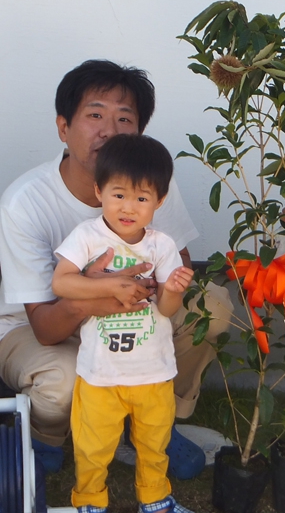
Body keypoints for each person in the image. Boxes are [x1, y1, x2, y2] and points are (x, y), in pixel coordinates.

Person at [0, 60, 233, 477]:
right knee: (62, 379)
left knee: (210, 309)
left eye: (124, 118)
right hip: (43, 325)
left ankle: (154, 420)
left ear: (139, 132)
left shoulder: (151, 182)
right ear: (63, 127)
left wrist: (143, 290)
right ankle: (46, 436)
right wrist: (92, 294)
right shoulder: (25, 202)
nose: (109, 130)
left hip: (135, 305)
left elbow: (176, 262)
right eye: (94, 115)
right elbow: (44, 328)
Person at [52, 134, 194, 513]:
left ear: (159, 201)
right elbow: (61, 281)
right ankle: (89, 500)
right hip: (101, 372)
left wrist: (175, 290)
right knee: (92, 444)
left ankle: (155, 498)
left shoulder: (161, 246)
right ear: (99, 191)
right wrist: (114, 283)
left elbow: (164, 309)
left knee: (153, 441)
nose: (128, 207)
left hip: (152, 371)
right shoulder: (86, 237)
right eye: (118, 194)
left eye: (142, 198)